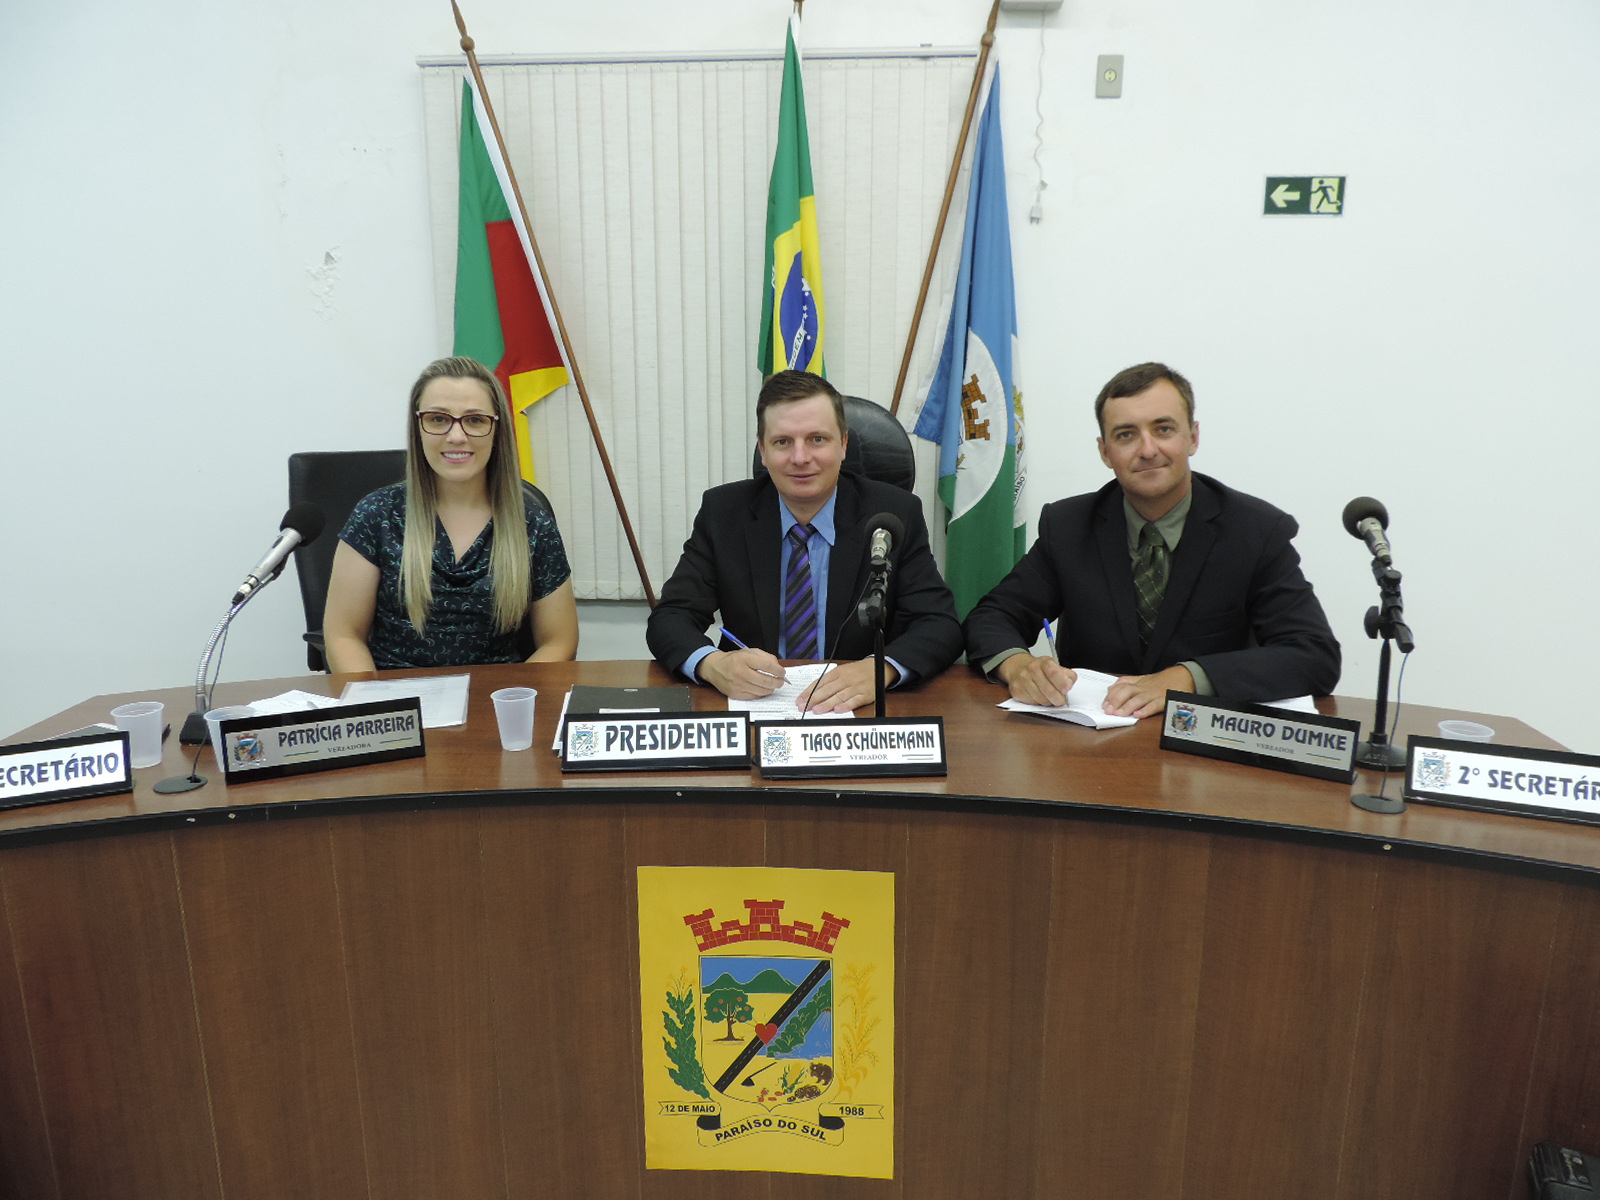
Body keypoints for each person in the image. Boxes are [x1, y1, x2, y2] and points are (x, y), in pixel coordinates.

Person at [963, 362, 1339, 717]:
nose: (1147, 450)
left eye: (1163, 429)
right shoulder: (1069, 525)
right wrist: (1019, 666)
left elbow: (1313, 654)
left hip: (1207, 753)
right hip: (1090, 747)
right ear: (1105, 452)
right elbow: (992, 616)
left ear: (1192, 437)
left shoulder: (1255, 531)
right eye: (1126, 435)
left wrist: (1187, 678)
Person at [646, 371, 962, 712]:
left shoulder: (893, 514)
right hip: (756, 704)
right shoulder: (724, 513)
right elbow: (671, 617)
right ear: (763, 452)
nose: (800, 458)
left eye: (817, 440)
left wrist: (879, 669)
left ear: (843, 445)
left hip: (856, 709)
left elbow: (939, 624)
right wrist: (712, 664)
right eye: (783, 442)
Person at [322, 356, 579, 673]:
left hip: (497, 698)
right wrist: (380, 711)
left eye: (474, 420)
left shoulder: (533, 524)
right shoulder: (377, 515)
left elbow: (560, 640)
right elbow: (343, 635)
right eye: (438, 419)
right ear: (418, 428)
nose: (456, 436)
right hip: (396, 702)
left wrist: (513, 696)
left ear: (497, 428)